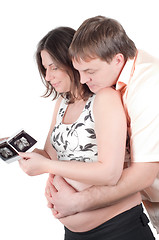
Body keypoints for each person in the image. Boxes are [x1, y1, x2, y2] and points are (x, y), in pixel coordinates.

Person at [18, 26, 155, 240]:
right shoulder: (62, 103)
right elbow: (52, 155)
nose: (48, 76)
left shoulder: (105, 98)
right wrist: (23, 152)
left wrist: (45, 166)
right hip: (74, 232)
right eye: (45, 68)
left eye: (53, 67)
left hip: (117, 229)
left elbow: (109, 173)